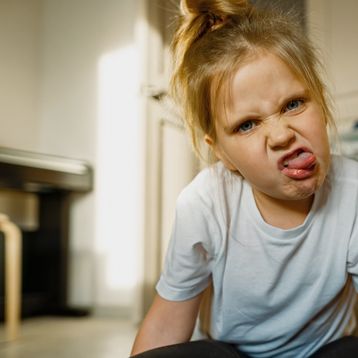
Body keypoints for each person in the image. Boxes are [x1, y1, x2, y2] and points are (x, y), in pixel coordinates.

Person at [130, 0, 358, 357]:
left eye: (294, 104)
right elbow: (166, 321)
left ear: (322, 101)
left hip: (323, 351)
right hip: (234, 352)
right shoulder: (205, 203)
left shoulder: (353, 192)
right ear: (222, 153)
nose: (282, 135)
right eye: (247, 125)